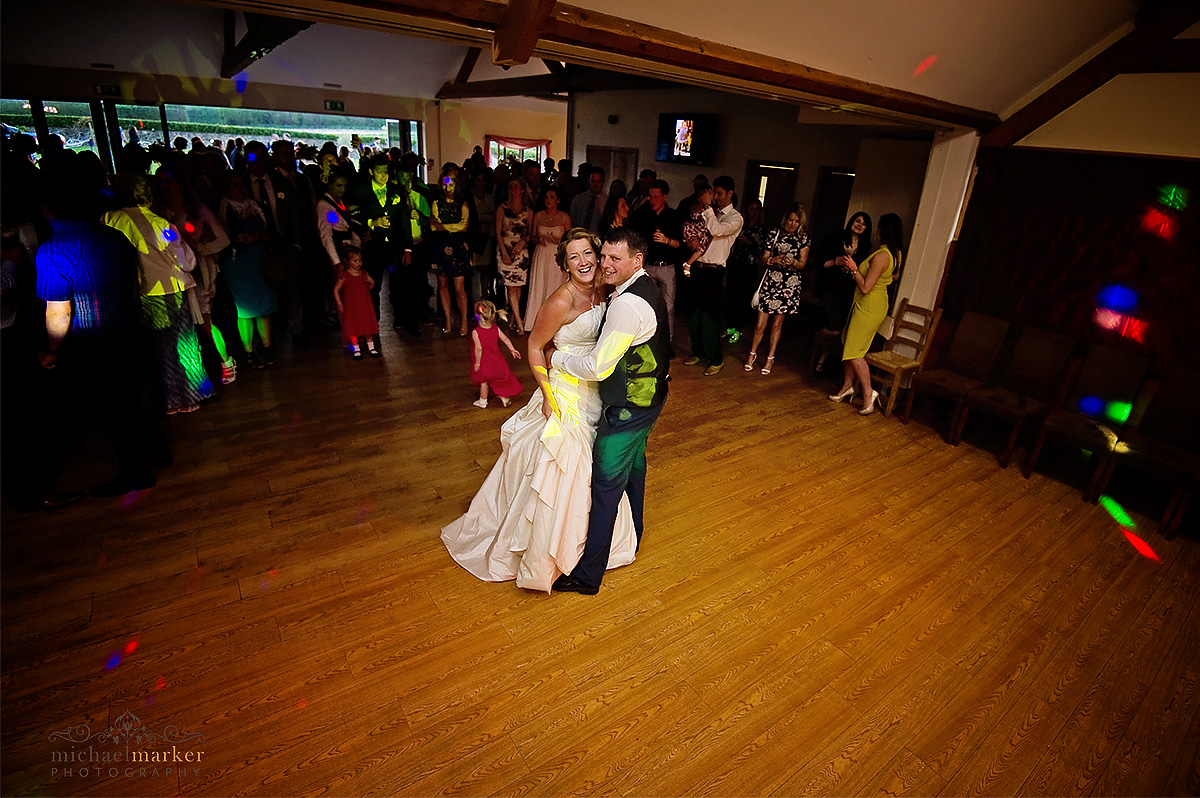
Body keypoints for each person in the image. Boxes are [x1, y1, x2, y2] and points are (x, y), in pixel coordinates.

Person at [442, 229, 638, 592]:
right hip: (565, 389)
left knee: (600, 462)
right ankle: (554, 553)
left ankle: (591, 543)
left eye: (587, 254)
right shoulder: (560, 301)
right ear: (563, 265)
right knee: (566, 461)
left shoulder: (603, 289)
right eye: (574, 257)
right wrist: (547, 395)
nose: (583, 262)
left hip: (594, 389)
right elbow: (534, 347)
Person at [550, 227, 670, 595]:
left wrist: (558, 358)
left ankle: (588, 576)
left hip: (630, 406)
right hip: (652, 397)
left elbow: (599, 367)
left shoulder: (627, 305)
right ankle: (635, 530)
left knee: (605, 485)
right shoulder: (645, 287)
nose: (605, 264)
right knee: (635, 466)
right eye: (604, 256)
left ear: (637, 260)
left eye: (614, 259)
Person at [104, 173, 214, 413]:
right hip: (169, 290)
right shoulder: (161, 224)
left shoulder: (109, 219)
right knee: (183, 343)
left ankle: (167, 400)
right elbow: (186, 261)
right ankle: (190, 397)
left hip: (135, 292)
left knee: (157, 346)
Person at [830, 212, 903, 415]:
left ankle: (869, 393)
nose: (876, 230)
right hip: (872, 304)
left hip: (869, 306)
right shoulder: (894, 253)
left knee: (855, 351)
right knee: (849, 342)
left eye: (879, 226)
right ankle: (847, 386)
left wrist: (854, 269)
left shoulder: (882, 256)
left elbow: (865, 287)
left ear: (884, 230)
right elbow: (892, 276)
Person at [683, 175, 742, 376]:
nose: (715, 197)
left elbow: (716, 230)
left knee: (709, 318)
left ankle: (716, 359)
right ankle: (699, 353)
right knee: (693, 317)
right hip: (698, 268)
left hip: (715, 272)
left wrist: (708, 208)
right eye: (714, 193)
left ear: (730, 193)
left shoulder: (735, 218)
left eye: (719, 193)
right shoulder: (710, 212)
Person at [219, 172, 278, 369]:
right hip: (238, 265)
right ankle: (249, 352)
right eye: (235, 185)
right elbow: (221, 236)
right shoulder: (224, 206)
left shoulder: (256, 205)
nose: (240, 189)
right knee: (244, 311)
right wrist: (237, 238)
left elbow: (271, 231)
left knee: (264, 308)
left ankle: (267, 348)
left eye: (242, 184)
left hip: (260, 262)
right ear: (227, 187)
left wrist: (260, 236)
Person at [744, 203, 810, 376]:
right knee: (760, 324)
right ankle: (752, 354)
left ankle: (770, 357)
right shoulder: (775, 233)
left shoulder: (803, 238)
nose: (792, 224)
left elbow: (803, 263)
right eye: (790, 220)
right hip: (770, 282)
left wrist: (793, 263)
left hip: (789, 285)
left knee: (777, 324)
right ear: (785, 219)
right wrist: (774, 260)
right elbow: (764, 258)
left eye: (796, 221)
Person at [814, 212, 872, 370]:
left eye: (863, 223)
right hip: (830, 286)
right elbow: (819, 262)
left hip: (849, 291)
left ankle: (822, 360)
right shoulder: (835, 238)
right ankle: (817, 337)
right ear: (851, 221)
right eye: (857, 221)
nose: (859, 225)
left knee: (841, 328)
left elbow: (865, 271)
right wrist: (834, 262)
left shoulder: (867, 247)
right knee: (833, 326)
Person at [632, 179, 684, 349]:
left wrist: (666, 240)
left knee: (668, 307)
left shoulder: (674, 216)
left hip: (667, 267)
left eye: (656, 196)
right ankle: (648, 342)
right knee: (647, 305)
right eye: (650, 196)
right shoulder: (643, 214)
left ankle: (666, 344)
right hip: (648, 266)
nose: (652, 200)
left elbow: (681, 244)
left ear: (664, 196)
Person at [428, 166, 473, 336]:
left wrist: (444, 227)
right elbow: (433, 226)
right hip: (440, 247)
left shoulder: (463, 203)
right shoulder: (436, 203)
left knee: (459, 286)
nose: (448, 188)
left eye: (451, 184)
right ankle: (448, 319)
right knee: (443, 284)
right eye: (445, 184)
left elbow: (464, 227)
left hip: (458, 248)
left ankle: (463, 320)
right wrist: (452, 227)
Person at [524, 186, 571, 327]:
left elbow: (570, 239)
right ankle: (535, 321)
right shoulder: (538, 215)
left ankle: (555, 320)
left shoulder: (564, 217)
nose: (548, 200)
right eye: (546, 197)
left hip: (556, 254)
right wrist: (539, 240)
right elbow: (532, 236)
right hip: (541, 253)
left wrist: (559, 242)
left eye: (551, 197)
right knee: (540, 284)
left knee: (555, 284)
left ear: (558, 200)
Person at [495, 179, 533, 335]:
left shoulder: (528, 211)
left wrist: (523, 241)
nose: (513, 189)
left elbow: (531, 233)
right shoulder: (502, 208)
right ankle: (519, 322)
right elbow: (498, 232)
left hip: (521, 251)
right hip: (505, 249)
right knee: (510, 286)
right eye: (511, 187)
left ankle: (512, 318)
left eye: (516, 187)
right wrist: (504, 252)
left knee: (518, 287)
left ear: (522, 190)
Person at [469, 300, 523, 408]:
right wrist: (512, 349)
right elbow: (505, 339)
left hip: (485, 360)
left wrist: (477, 363)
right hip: (496, 359)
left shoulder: (476, 332)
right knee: (497, 379)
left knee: (484, 381)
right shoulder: (496, 329)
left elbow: (478, 349)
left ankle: (482, 401)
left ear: (477, 316)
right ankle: (503, 396)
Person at [727, 198, 766, 341]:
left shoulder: (762, 228)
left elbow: (763, 249)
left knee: (744, 299)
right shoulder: (741, 224)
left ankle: (738, 329)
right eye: (751, 208)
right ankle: (730, 326)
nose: (753, 212)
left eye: (757, 208)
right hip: (735, 263)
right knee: (732, 297)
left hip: (750, 267)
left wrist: (750, 242)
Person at [332, 245, 379, 359]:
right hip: (352, 307)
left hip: (364, 306)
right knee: (353, 327)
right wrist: (339, 304)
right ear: (347, 262)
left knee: (367, 325)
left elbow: (370, 286)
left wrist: (371, 281)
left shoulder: (364, 274)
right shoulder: (345, 276)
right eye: (355, 261)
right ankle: (356, 348)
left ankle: (371, 347)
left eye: (360, 260)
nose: (358, 263)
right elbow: (336, 290)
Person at [569, 166, 607, 234]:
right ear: (589, 181)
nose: (595, 184)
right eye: (593, 181)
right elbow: (572, 221)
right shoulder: (578, 199)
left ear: (603, 182)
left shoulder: (607, 201)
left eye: (598, 181)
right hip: (580, 236)